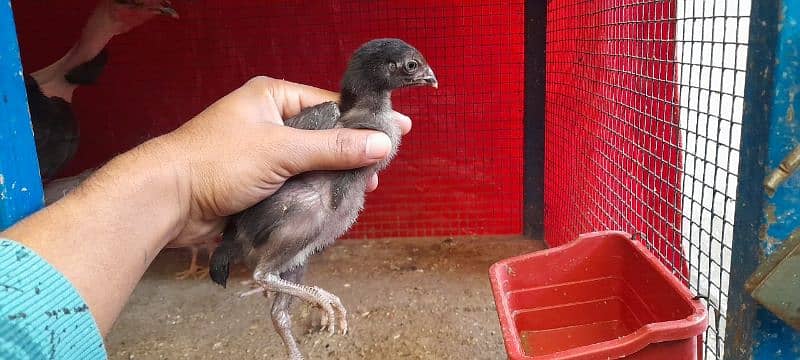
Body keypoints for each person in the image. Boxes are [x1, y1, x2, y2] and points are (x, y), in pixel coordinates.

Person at [0, 76, 412, 359]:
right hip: (275, 223)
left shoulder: (356, 122)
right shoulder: (332, 120)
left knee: (295, 258)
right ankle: (270, 279)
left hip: (289, 228)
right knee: (288, 249)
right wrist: (186, 180)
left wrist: (183, 187)